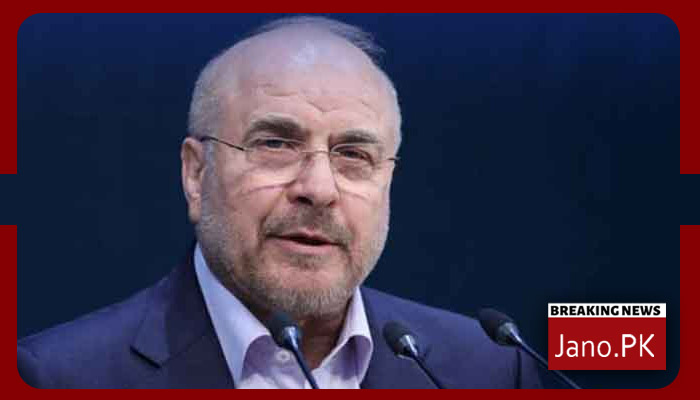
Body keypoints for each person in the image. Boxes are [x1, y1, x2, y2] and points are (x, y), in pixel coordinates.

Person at [17, 16, 541, 389]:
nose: (319, 188)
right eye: (275, 144)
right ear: (196, 174)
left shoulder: (489, 368)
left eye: (353, 154)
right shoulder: (58, 377)